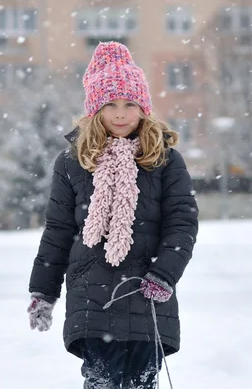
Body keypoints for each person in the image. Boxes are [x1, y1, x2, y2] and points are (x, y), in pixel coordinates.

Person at [28, 41, 199, 388]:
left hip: (147, 290)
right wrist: (43, 292)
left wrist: (164, 274)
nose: (120, 114)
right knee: (101, 381)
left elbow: (182, 224)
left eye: (129, 104)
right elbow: (58, 231)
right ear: (96, 109)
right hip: (92, 296)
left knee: (140, 381)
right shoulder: (72, 162)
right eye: (110, 105)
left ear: (143, 108)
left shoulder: (164, 160)